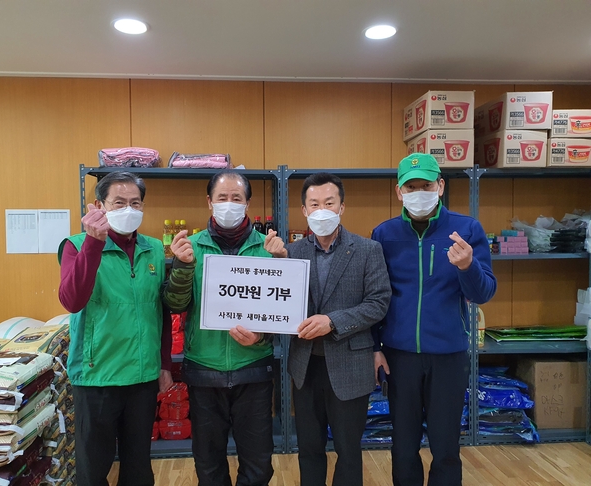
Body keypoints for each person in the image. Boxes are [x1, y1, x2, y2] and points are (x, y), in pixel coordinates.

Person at [371, 153, 497, 486]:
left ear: (440, 186)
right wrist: (374, 347)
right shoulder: (384, 234)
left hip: (448, 356)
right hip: (399, 356)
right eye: (410, 187)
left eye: (425, 186)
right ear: (399, 191)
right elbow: (374, 297)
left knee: (445, 447)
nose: (418, 193)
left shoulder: (466, 230)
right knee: (403, 447)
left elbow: (484, 292)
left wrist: (468, 266)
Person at [163, 169, 286, 486]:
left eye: (236, 198)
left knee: (259, 465)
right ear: (209, 202)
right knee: (208, 465)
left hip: (253, 370)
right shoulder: (191, 248)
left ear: (247, 203)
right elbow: (176, 304)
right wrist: (182, 266)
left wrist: (262, 333)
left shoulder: (269, 248)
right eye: (222, 198)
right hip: (204, 371)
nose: (229, 204)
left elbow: (282, 312)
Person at [58, 171, 174, 486]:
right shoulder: (75, 246)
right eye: (119, 203)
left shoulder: (153, 249)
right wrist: (94, 244)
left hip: (142, 376)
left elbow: (160, 311)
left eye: (135, 203)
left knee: (138, 469)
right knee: (93, 469)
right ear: (99, 206)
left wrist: (164, 363)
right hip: (97, 376)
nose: (128, 209)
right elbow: (72, 300)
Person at [282, 172, 391, 486]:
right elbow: (281, 303)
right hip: (305, 366)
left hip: (350, 363)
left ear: (342, 207)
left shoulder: (368, 250)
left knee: (348, 450)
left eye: (329, 203)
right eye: (314, 204)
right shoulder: (292, 252)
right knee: (309, 448)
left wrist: (332, 321)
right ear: (304, 210)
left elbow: (378, 302)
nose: (322, 210)